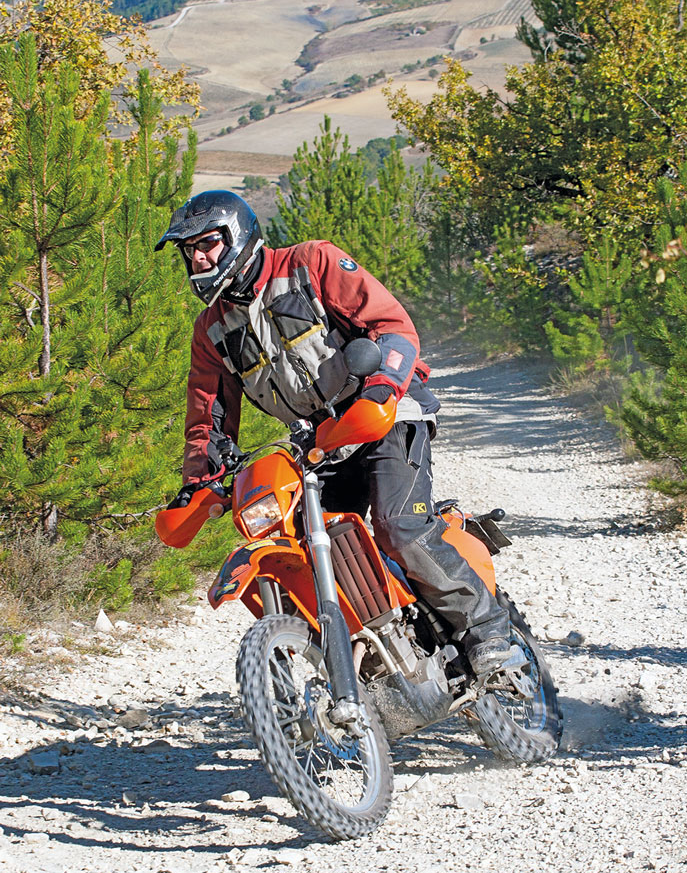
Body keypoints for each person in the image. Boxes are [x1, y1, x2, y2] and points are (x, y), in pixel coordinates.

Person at [155, 190, 511, 674]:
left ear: (238, 236)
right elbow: (208, 416)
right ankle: (371, 650)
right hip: (321, 443)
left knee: (397, 526)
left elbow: (393, 328)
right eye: (189, 249)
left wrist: (382, 388)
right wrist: (201, 479)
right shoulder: (212, 330)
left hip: (386, 412)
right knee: (302, 544)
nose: (198, 257)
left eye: (209, 243)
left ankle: (486, 629)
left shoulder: (310, 264)